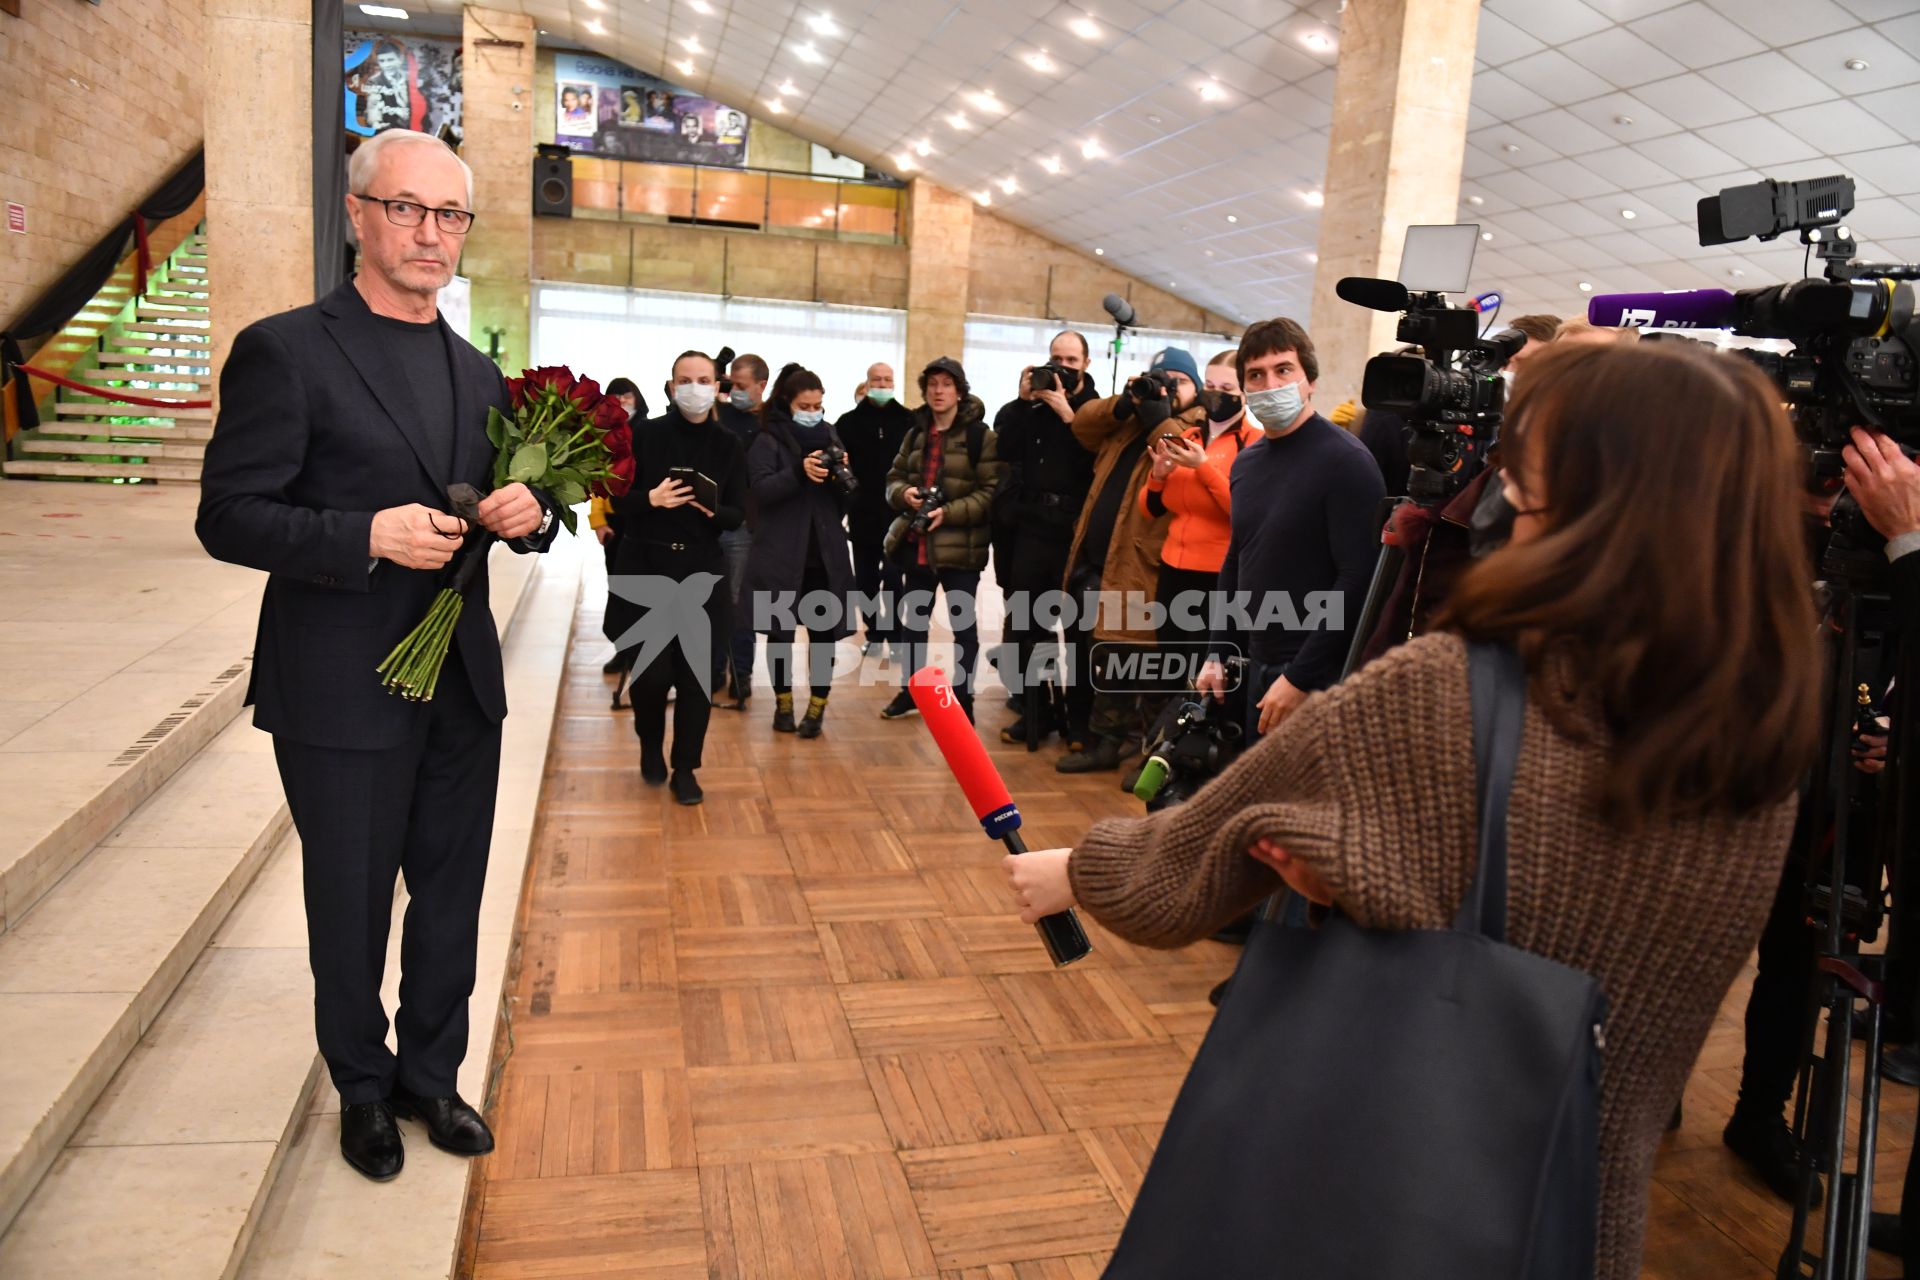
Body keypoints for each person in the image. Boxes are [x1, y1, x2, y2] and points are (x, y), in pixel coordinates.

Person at [1004, 339, 1823, 1280]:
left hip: (1402, 1205)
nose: (1498, 480)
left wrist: (1070, 868)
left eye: (1526, 457)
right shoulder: (1761, 732)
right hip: (1571, 1224)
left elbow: (1188, 870)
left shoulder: (1451, 690)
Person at [196, 129, 560, 1181]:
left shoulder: (478, 370)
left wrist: (525, 512)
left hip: (458, 680)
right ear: (356, 214)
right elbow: (230, 516)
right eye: (407, 208)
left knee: (450, 893)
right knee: (349, 899)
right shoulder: (289, 347)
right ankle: (360, 1083)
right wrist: (362, 534)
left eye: (449, 215)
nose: (430, 233)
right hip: (340, 683)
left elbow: (505, 515)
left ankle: (431, 1075)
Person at [1195, 319, 1384, 741]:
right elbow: (1237, 558)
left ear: (1310, 379)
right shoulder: (1247, 462)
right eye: (1256, 375)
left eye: (1283, 370)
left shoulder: (1346, 460)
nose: (1270, 383)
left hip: (1317, 672)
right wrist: (1217, 651)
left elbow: (1357, 579)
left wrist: (1300, 677)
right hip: (1259, 662)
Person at [611, 350, 747, 806]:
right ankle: (650, 742)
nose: (694, 387)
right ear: (671, 386)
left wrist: (713, 509)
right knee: (650, 678)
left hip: (701, 574)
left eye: (703, 379)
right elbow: (614, 498)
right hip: (646, 569)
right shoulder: (643, 435)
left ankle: (686, 767)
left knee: (696, 680)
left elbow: (737, 512)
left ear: (716, 386)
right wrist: (650, 498)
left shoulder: (728, 444)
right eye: (685, 379)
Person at [1055, 348, 1196, 773]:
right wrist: (1124, 402)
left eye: (1179, 381)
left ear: (1197, 390)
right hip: (1101, 563)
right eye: (1159, 378)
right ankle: (1105, 744)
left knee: (1150, 666)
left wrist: (1160, 419)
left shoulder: (1194, 427)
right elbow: (1082, 424)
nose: (1166, 387)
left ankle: (1152, 753)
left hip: (1147, 567)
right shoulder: (1127, 424)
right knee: (1106, 659)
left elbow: (1184, 459)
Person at [879, 356, 1004, 723]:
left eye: (946, 384)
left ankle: (964, 700)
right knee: (913, 626)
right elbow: (893, 478)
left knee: (963, 629)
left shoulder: (982, 437)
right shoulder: (916, 433)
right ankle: (912, 692)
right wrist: (904, 495)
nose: (938, 391)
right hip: (917, 544)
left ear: (959, 391)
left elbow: (990, 492)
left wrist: (947, 513)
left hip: (961, 549)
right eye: (932, 384)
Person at [991, 330, 1100, 745]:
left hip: (1076, 533)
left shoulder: (1095, 409)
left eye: (1071, 360)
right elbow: (1007, 449)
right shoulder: (1030, 406)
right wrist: (1024, 401)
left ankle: (1078, 722)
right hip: (1032, 527)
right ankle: (1036, 713)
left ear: (1086, 364)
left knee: (1076, 633)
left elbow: (1099, 458)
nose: (1064, 367)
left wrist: (1070, 415)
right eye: (1057, 357)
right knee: (1027, 627)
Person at [746, 362, 857, 737]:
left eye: (818, 406)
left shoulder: (832, 435)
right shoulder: (767, 440)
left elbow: (846, 499)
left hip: (824, 556)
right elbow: (760, 491)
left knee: (823, 635)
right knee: (779, 634)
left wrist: (842, 475)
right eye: (805, 407)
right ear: (787, 402)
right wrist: (798, 472)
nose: (813, 414)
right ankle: (783, 704)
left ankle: (817, 707)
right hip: (780, 554)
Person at [1139, 348, 1259, 688]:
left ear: (1245, 394)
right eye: (1209, 384)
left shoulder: (1254, 444)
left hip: (1218, 575)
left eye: (1226, 388)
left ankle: (1204, 735)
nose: (1214, 394)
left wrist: (1202, 467)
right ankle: (1170, 735)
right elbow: (1150, 509)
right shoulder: (1187, 437)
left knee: (1206, 669)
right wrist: (1158, 475)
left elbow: (1243, 511)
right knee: (1171, 664)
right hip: (1172, 568)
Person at [1359, 313, 1560, 499]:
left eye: (1526, 364)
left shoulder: (1555, 446)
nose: (1508, 371)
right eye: (1506, 361)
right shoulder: (1449, 416)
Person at [835, 361, 913, 657]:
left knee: (894, 578)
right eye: (876, 380)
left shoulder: (908, 421)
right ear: (867, 384)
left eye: (887, 380)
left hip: (898, 516)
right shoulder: (848, 423)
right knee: (865, 581)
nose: (882, 385)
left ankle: (894, 635)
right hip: (862, 515)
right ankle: (874, 631)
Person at [715, 353, 769, 704]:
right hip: (713, 518)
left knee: (740, 604)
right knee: (711, 599)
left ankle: (743, 672)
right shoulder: (721, 416)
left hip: (746, 527)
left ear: (761, 386)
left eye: (742, 386)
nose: (735, 391)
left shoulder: (770, 423)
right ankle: (714, 668)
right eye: (731, 384)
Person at [594, 376, 646, 676]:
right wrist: (598, 521)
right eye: (616, 397)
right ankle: (622, 651)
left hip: (642, 520)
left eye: (627, 396)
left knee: (641, 590)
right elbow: (596, 481)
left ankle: (641, 651)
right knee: (618, 589)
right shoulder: (605, 433)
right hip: (615, 522)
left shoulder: (650, 430)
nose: (624, 402)